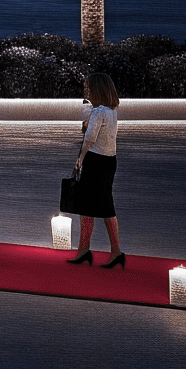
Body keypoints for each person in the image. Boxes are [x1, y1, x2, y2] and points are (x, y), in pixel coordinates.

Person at [64, 71, 126, 269]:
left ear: (97, 89)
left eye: (88, 87)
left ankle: (100, 250)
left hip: (95, 161)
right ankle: (98, 250)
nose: (86, 91)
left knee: (93, 207)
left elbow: (90, 138)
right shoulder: (111, 111)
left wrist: (79, 160)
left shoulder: (98, 111)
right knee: (100, 205)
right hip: (110, 161)